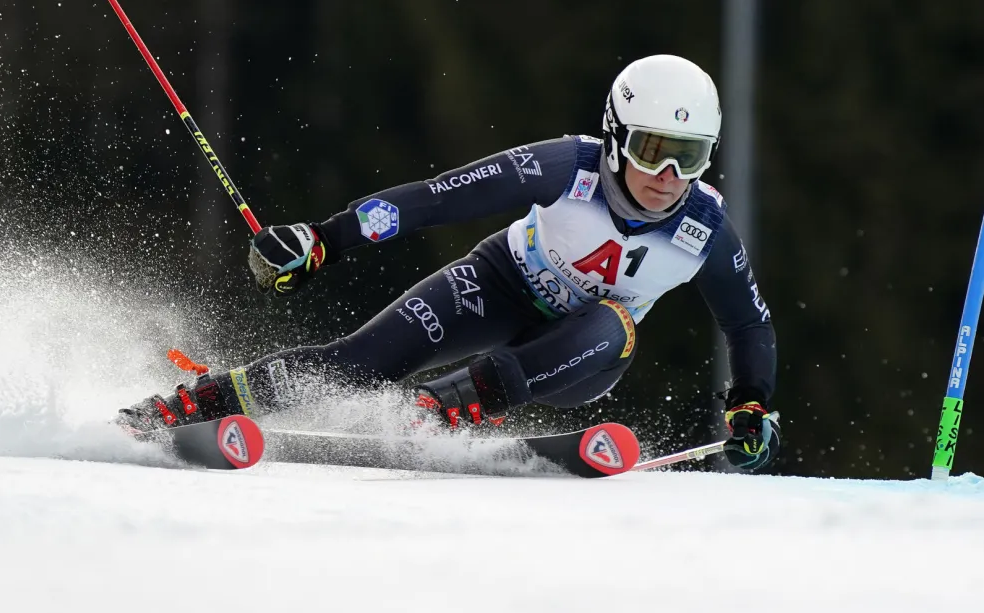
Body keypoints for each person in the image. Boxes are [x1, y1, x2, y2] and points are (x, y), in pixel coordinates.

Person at [118, 54, 780, 472]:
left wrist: (751, 405)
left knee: (613, 320)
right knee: (356, 362)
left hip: (582, 355)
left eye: (688, 156)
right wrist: (326, 239)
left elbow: (748, 326)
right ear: (613, 138)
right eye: (652, 149)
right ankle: (190, 403)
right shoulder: (562, 167)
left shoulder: (703, 231)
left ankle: (439, 408)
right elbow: (437, 199)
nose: (667, 175)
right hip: (499, 282)